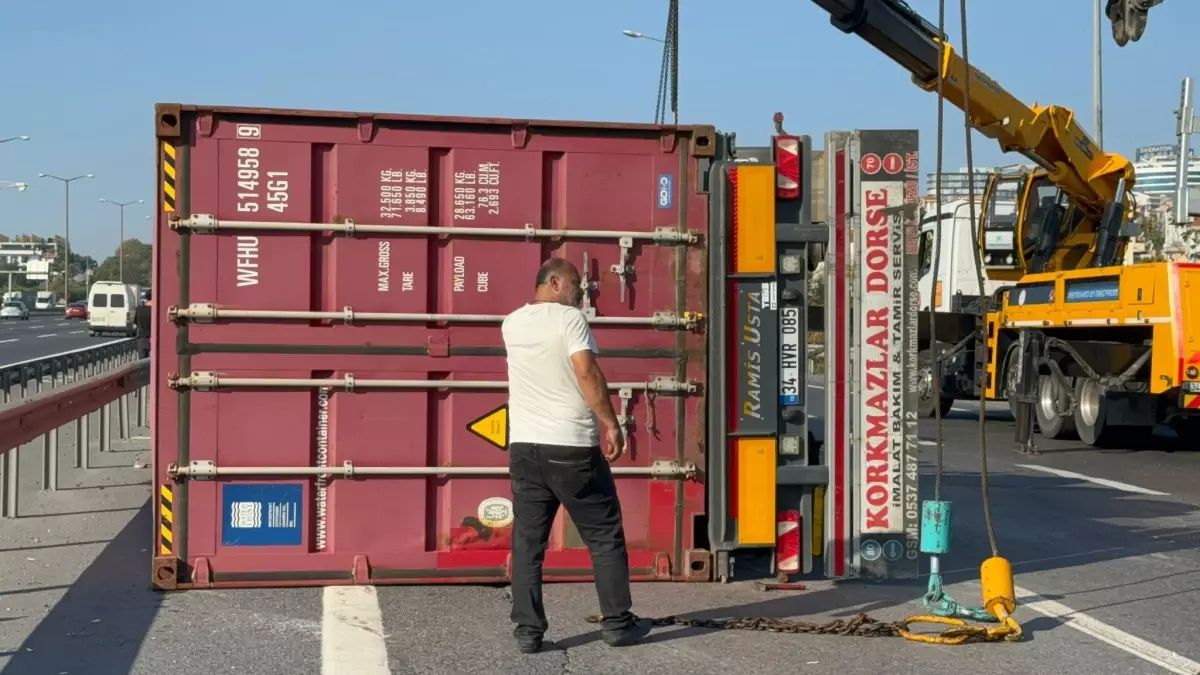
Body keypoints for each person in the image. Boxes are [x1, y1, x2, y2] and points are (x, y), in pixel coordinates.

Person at [501, 257, 649, 654]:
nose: (581, 294)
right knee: (604, 537)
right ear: (553, 283)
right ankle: (618, 623)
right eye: (576, 286)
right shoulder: (569, 321)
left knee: (528, 544)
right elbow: (586, 372)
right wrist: (611, 423)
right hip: (570, 446)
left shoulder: (512, 323)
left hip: (525, 449)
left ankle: (528, 633)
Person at [135, 290, 152, 359]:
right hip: (156, 341)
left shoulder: (139, 309)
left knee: (142, 365)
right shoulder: (158, 310)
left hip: (143, 341)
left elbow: (136, 323)